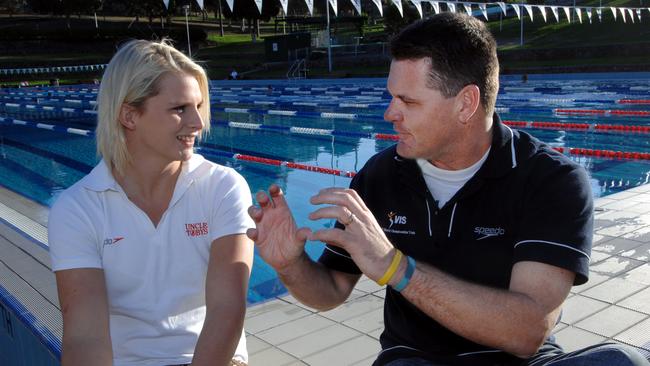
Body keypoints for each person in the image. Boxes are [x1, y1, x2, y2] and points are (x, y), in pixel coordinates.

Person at [247, 13, 650, 366]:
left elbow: (528, 332)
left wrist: (394, 267)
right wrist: (290, 265)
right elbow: (331, 290)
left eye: (408, 100)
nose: (390, 113)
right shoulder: (381, 176)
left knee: (625, 360)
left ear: (465, 104)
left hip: (519, 361)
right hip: (414, 358)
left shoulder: (551, 181)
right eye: (391, 97)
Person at [48, 39, 254, 366]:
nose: (198, 124)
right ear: (130, 115)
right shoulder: (77, 209)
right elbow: (85, 336)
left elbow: (227, 308)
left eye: (198, 107)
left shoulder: (222, 187)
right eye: (179, 109)